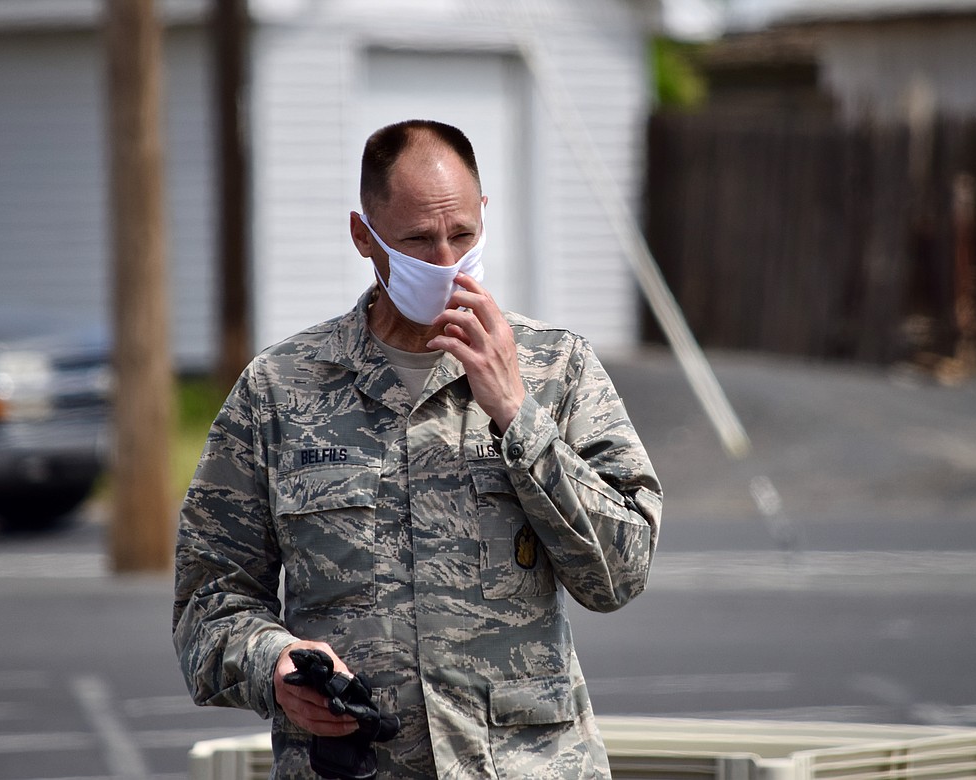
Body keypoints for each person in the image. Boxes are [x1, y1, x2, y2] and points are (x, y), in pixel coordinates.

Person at [174, 119, 662, 779]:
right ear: (363, 237)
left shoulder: (557, 367)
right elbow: (209, 602)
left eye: (462, 234)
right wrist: (274, 667)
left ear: (484, 214)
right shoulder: (278, 392)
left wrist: (517, 415)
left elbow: (620, 574)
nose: (445, 262)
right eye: (417, 240)